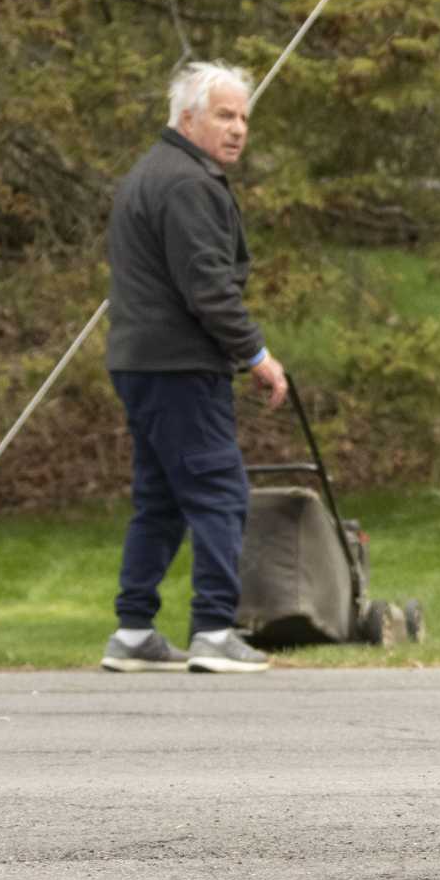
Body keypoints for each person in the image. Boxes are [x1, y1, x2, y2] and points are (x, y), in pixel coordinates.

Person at [100, 61, 287, 675]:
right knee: (219, 492)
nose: (238, 129)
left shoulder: (152, 174)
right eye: (225, 115)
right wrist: (256, 355)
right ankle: (212, 630)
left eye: (244, 118)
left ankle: (133, 632)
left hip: (139, 362)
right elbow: (207, 287)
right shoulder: (187, 184)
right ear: (187, 119)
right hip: (179, 366)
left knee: (159, 499)